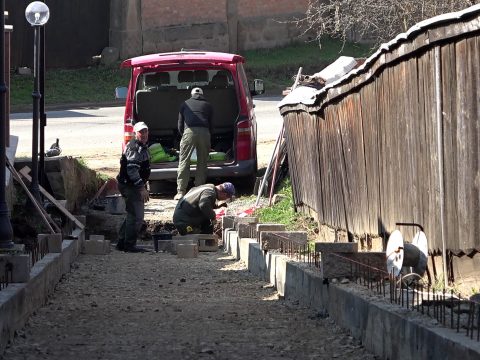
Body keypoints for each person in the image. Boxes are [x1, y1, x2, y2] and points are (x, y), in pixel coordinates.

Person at [115, 121, 151, 252]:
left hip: (132, 185)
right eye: (141, 132)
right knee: (136, 216)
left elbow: (142, 169)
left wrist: (144, 185)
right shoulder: (134, 147)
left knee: (132, 214)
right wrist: (141, 187)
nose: (144, 134)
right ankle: (129, 245)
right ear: (135, 134)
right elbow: (132, 170)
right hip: (130, 186)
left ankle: (122, 242)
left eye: (146, 131)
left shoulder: (143, 146)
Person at [175, 87, 213, 200]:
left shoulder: (184, 104)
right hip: (205, 132)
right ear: (202, 95)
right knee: (202, 162)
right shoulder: (208, 105)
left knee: (184, 161)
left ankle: (181, 191)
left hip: (189, 132)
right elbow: (211, 125)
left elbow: (180, 124)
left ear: (191, 95)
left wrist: (184, 135)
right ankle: (198, 190)